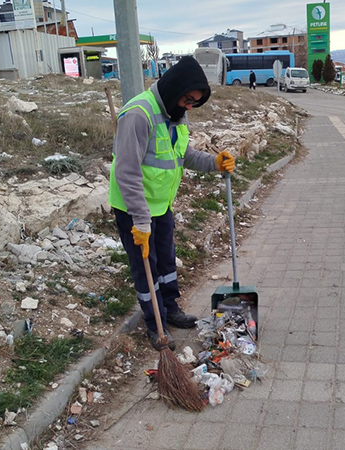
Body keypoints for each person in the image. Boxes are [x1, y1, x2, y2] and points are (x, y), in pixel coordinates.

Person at [108, 56, 235, 350]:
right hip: (133, 209)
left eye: (195, 102)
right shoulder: (139, 114)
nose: (189, 106)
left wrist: (214, 163)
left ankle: (171, 309)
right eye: (188, 99)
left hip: (160, 205)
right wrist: (140, 221)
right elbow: (126, 172)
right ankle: (155, 324)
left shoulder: (175, 114)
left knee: (165, 260)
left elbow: (183, 156)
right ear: (174, 88)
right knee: (146, 267)